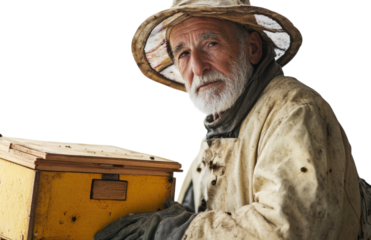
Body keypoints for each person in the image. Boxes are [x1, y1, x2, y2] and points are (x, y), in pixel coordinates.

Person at [95, 0, 371, 239]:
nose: (197, 67)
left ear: (252, 48)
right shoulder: (215, 136)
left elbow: (288, 230)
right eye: (183, 53)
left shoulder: (295, 111)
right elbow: (189, 218)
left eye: (210, 43)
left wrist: (171, 231)